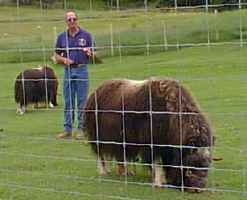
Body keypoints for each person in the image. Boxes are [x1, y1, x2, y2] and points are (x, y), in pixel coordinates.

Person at [55, 11, 95, 139]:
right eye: (69, 19)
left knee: (82, 100)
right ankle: (67, 129)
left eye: (74, 19)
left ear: (77, 20)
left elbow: (95, 54)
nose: (72, 21)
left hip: (81, 69)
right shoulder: (62, 37)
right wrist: (64, 60)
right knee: (68, 100)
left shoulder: (86, 35)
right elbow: (56, 54)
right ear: (66, 22)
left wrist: (91, 53)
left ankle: (82, 129)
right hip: (68, 71)